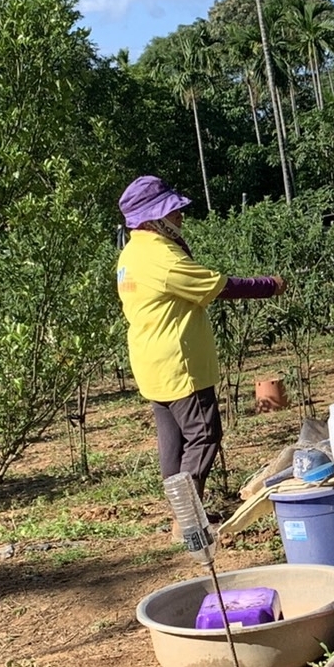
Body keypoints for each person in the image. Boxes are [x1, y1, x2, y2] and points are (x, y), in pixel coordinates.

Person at [115, 175, 286, 500]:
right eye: (172, 210)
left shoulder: (131, 254)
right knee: (204, 434)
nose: (180, 215)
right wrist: (269, 285)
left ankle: (181, 515)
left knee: (174, 444)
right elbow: (218, 286)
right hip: (179, 364)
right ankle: (187, 517)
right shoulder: (161, 257)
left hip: (151, 362)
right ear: (153, 218)